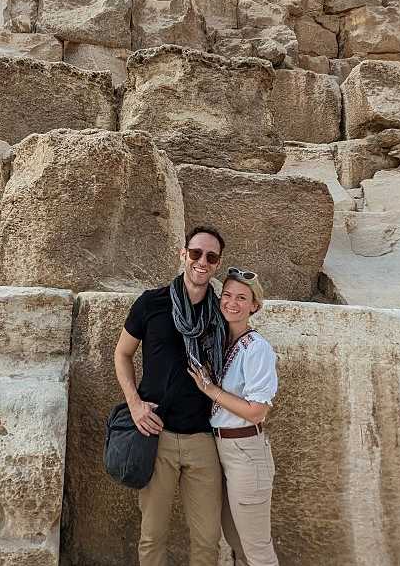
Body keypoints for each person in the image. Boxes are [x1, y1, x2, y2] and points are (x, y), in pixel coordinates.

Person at [114, 226, 227, 566]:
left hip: (203, 438)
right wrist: (134, 404)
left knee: (208, 541)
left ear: (218, 264)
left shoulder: (221, 313)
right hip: (156, 434)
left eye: (211, 257)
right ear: (183, 254)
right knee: (152, 536)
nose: (201, 262)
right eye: (195, 253)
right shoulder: (152, 303)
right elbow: (122, 354)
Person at [188, 268, 279, 566]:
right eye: (227, 295)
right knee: (236, 538)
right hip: (222, 451)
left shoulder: (257, 349)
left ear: (255, 305)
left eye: (242, 298)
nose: (232, 303)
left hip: (246, 452)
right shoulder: (221, 342)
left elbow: (257, 410)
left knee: (257, 549)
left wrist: (209, 389)